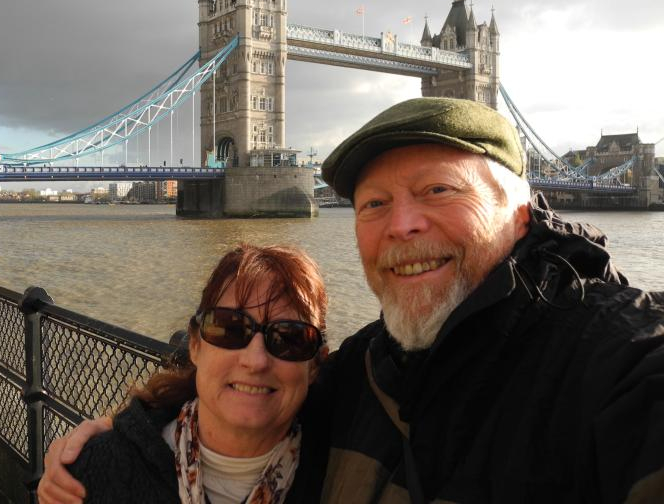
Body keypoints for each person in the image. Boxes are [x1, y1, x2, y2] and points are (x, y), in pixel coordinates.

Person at [40, 97, 664, 503]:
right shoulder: (364, 372)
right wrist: (116, 442)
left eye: (439, 190)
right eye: (373, 204)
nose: (402, 225)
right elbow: (240, 387)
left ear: (522, 217)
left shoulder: (622, 369)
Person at [40, 244, 329, 504]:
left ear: (316, 365)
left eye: (290, 339)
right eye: (230, 328)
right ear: (194, 345)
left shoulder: (342, 474)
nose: (255, 361)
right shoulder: (99, 471)